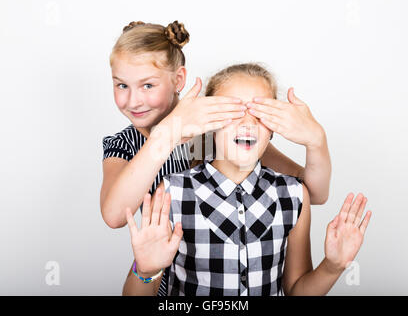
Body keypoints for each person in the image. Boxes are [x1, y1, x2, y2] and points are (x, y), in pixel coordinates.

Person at [100, 20, 331, 295]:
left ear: (179, 80)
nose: (134, 100)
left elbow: (311, 192)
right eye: (122, 85)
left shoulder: (219, 128)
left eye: (147, 85)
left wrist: (316, 140)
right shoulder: (123, 145)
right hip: (158, 282)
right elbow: (114, 215)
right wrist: (168, 133)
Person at [124, 63, 372, 295]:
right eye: (234, 111)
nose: (247, 123)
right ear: (209, 122)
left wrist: (332, 266)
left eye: (259, 113)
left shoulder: (294, 195)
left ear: (274, 128)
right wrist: (146, 271)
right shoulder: (172, 193)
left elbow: (297, 289)